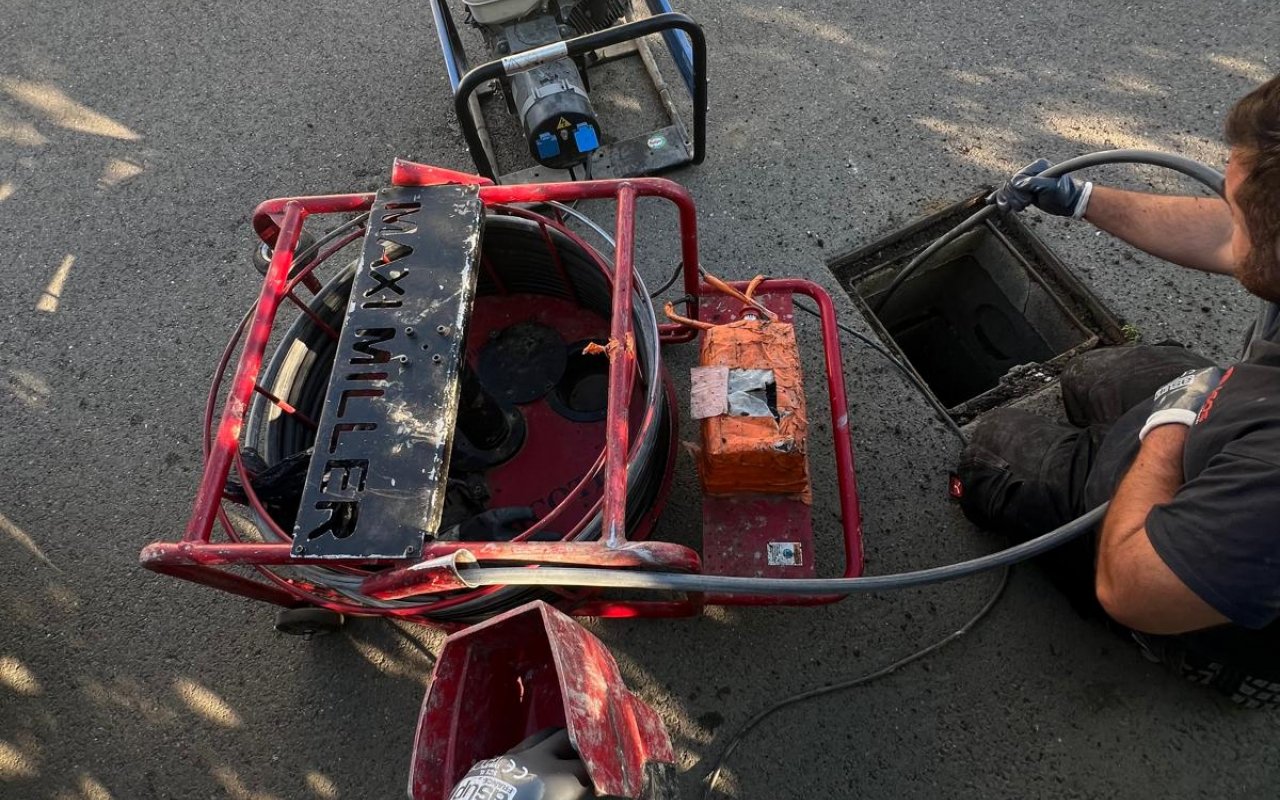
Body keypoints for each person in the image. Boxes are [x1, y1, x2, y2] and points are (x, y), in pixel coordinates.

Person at [953, 74, 1280, 706]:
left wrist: (1171, 429)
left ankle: (1220, 667)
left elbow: (1130, 586)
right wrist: (1082, 198)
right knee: (1089, 375)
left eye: (1237, 209)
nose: (1224, 208)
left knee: (992, 448)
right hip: (1226, 416)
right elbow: (1226, 235)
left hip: (1193, 554)